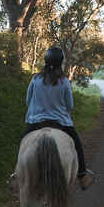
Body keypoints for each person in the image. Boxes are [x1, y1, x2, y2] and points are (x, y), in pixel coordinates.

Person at [10, 46, 96, 190]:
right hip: (60, 121)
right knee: (78, 145)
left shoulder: (36, 79)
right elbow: (69, 105)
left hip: (36, 121)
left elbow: (28, 100)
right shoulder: (64, 82)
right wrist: (61, 113)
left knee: (23, 144)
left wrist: (36, 111)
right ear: (61, 62)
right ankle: (82, 176)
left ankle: (18, 176)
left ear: (45, 60)